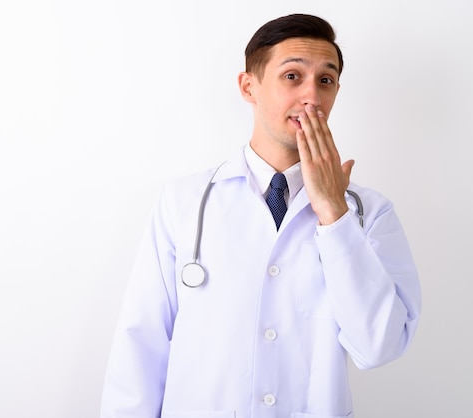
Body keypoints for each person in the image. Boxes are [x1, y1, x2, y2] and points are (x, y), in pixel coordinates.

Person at [100, 13, 422, 418]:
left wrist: (333, 216)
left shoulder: (366, 212)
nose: (312, 96)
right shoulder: (185, 202)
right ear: (248, 86)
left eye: (326, 80)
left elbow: (380, 347)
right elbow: (140, 348)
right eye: (292, 76)